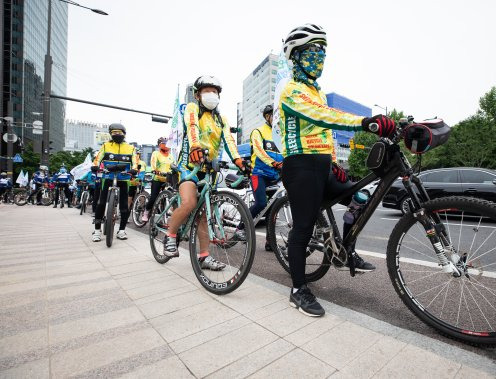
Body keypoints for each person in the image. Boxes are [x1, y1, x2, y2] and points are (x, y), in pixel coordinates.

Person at [279, 24, 396, 316]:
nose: (318, 56)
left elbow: (324, 132)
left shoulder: (315, 91)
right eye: (311, 51)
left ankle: (347, 251)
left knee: (361, 198)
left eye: (321, 51)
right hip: (300, 165)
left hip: (321, 165)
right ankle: (298, 290)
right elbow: (323, 116)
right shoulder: (290, 89)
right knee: (303, 228)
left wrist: (333, 162)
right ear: (296, 56)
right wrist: (364, 122)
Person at [163, 75, 250, 269]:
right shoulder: (192, 109)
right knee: (189, 202)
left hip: (209, 170)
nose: (211, 95)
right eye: (206, 91)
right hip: (189, 167)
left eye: (215, 92)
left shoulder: (221, 119)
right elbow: (192, 127)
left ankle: (203, 256)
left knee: (203, 215)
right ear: (197, 94)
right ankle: (170, 236)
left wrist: (238, 161)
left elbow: (228, 141)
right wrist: (194, 147)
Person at [91, 123, 138, 242]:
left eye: (119, 133)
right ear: (110, 134)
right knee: (101, 203)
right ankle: (97, 231)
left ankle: (121, 230)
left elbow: (135, 161)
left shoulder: (131, 148)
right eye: (114, 133)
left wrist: (135, 169)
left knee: (124, 205)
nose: (117, 134)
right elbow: (97, 159)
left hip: (123, 178)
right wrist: (95, 166)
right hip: (107, 177)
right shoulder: (105, 146)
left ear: (124, 134)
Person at [248, 104, 283, 251]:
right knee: (261, 203)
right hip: (259, 174)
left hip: (275, 175)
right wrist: (273, 162)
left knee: (273, 209)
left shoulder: (280, 134)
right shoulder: (258, 132)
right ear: (267, 117)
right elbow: (259, 151)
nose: (276, 119)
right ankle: (241, 227)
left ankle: (270, 242)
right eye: (273, 116)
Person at [141, 137, 175, 222]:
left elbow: (173, 166)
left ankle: (161, 216)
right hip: (157, 178)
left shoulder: (171, 156)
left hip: (167, 180)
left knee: (166, 197)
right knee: (153, 198)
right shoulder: (156, 153)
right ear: (160, 145)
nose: (166, 146)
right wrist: (154, 170)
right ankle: (146, 211)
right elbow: (153, 162)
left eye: (167, 144)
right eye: (164, 144)